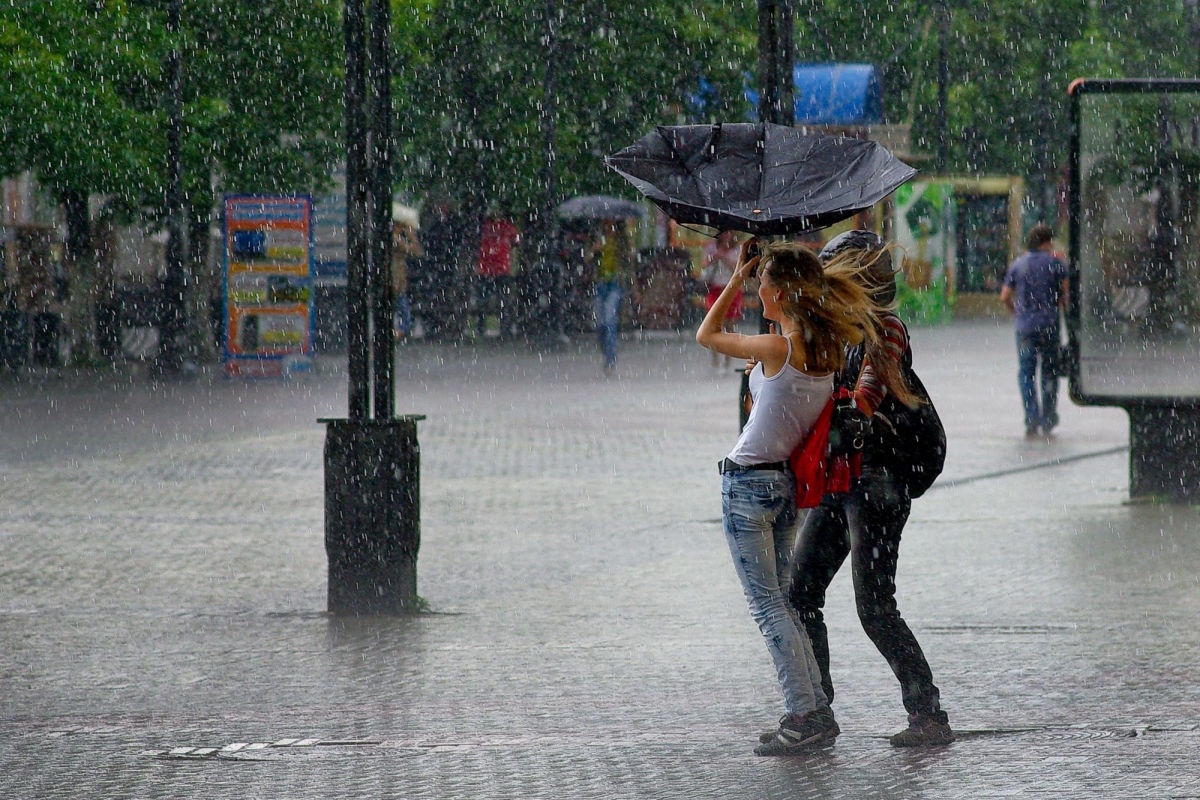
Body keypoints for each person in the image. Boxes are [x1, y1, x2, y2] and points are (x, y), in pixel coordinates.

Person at [696, 238, 879, 756]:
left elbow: (705, 335)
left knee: (767, 607)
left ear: (781, 291)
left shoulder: (777, 348)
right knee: (785, 603)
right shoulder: (822, 350)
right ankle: (815, 707)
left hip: (748, 482)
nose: (757, 288)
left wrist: (732, 277)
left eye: (762, 283)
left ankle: (804, 713)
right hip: (783, 486)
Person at [785, 229, 954, 749]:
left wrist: (849, 412)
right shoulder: (838, 330)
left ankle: (928, 713)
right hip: (843, 481)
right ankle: (816, 711)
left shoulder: (886, 329)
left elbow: (870, 392)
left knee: (875, 606)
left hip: (878, 484)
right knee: (801, 593)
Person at [1000, 223, 1068, 437]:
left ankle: (1031, 418)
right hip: (1049, 325)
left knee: (1026, 373)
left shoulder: (1018, 265)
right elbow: (1066, 294)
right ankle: (1048, 418)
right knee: (1049, 372)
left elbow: (1004, 296)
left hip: (1025, 327)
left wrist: (1016, 312)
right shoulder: (1056, 264)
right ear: (1047, 242)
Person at [592, 218, 631, 375]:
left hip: (615, 283)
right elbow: (587, 258)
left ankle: (611, 360)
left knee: (610, 321)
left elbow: (629, 262)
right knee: (600, 324)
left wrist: (633, 287)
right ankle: (606, 352)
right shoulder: (597, 238)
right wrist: (594, 251)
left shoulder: (620, 241)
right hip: (600, 283)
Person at [700, 229, 743, 368]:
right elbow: (704, 264)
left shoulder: (738, 249)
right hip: (715, 288)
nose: (726, 236)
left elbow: (739, 269)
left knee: (729, 325)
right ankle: (715, 359)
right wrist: (714, 257)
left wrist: (724, 258)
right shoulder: (711, 247)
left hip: (731, 288)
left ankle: (727, 360)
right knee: (713, 324)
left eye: (729, 233)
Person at [476, 210, 520, 338]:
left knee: (503, 301)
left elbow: (516, 242)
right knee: (484, 301)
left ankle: (504, 329)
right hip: (486, 270)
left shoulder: (507, 228)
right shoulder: (484, 227)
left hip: (501, 269)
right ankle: (481, 328)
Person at [391, 219, 423, 340]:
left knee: (403, 317)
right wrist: (412, 236)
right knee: (405, 318)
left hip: (398, 283)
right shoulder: (395, 239)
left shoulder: (396, 239)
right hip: (396, 283)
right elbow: (416, 251)